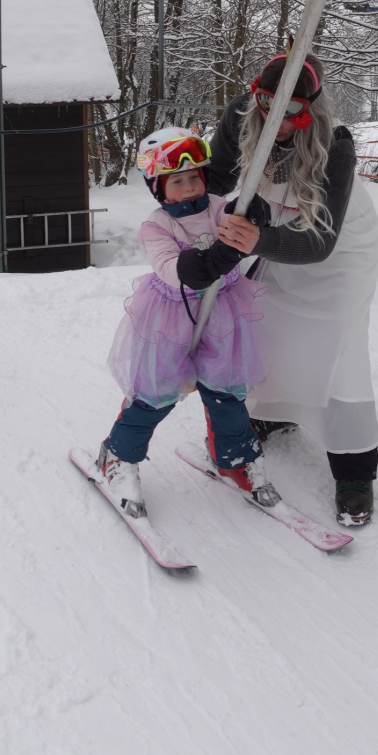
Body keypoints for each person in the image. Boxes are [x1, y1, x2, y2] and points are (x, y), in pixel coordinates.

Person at [210, 53, 378, 525]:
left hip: (339, 252)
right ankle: (276, 411)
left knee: (341, 353)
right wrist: (177, 192)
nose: (278, 120)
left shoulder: (335, 143)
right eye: (269, 106)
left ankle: (354, 470)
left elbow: (320, 243)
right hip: (277, 239)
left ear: (312, 109)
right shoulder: (241, 115)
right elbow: (215, 178)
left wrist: (256, 240)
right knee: (268, 331)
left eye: (292, 112)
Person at [98, 127, 280, 516]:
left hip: (222, 314)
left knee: (226, 392)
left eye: (194, 177)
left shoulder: (216, 207)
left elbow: (234, 216)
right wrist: (203, 263)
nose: (189, 187)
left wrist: (253, 212)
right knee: (156, 394)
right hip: (172, 319)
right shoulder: (156, 226)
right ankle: (118, 456)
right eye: (177, 181)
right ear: (158, 188)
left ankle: (233, 460)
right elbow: (172, 268)